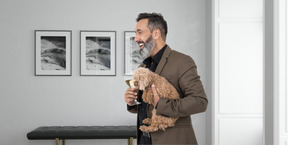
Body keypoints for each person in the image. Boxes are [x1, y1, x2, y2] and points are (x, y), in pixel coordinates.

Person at [124, 12, 208, 145]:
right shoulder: (144, 65)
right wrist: (132, 102)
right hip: (144, 140)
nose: (135, 38)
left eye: (139, 32)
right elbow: (146, 105)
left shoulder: (182, 61)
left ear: (156, 34)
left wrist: (161, 104)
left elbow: (200, 102)